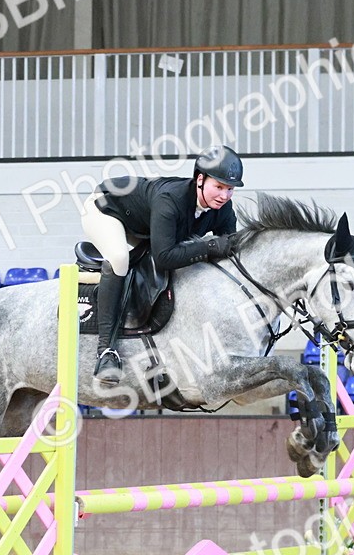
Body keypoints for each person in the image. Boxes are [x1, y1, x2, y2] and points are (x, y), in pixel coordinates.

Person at [81, 145, 244, 385]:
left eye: (230, 189)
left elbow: (229, 250)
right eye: (218, 187)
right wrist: (210, 247)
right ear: (200, 180)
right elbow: (164, 257)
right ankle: (106, 351)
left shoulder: (223, 209)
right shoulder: (171, 200)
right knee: (119, 258)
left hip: (145, 225)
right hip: (107, 210)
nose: (224, 195)